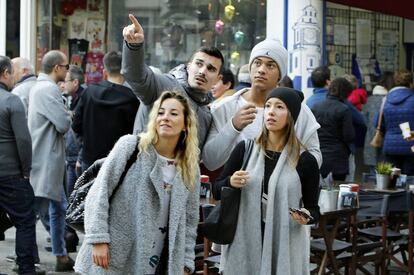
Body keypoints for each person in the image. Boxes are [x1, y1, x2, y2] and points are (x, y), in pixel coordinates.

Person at [74, 91, 200, 274]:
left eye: (173, 113)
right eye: (161, 112)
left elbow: (190, 220)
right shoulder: (130, 147)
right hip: (114, 251)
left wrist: (186, 261)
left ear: (186, 125)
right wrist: (98, 238)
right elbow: (100, 191)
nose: (165, 118)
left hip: (159, 259)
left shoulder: (190, 168)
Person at [212, 87, 320, 274]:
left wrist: (305, 215)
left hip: (283, 242)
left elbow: (314, 210)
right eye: (268, 106)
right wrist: (231, 181)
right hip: (244, 241)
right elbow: (216, 189)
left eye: (280, 107)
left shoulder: (305, 161)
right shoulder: (244, 150)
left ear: (291, 116)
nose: (271, 111)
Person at [202, 38, 322, 171]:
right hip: (236, 189)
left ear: (280, 75)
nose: (261, 70)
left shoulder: (298, 110)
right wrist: (233, 126)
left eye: (270, 65)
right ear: (250, 67)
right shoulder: (224, 108)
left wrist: (288, 166)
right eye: (257, 63)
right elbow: (210, 162)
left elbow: (316, 157)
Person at [122, 14, 223, 150]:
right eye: (199, 64)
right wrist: (134, 47)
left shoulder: (206, 115)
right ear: (188, 66)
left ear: (217, 78)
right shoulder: (163, 86)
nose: (203, 71)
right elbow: (136, 76)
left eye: (211, 69)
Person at [28, 50, 73, 271]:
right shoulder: (48, 89)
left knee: (57, 208)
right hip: (45, 160)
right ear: (57, 68)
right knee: (35, 212)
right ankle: (26, 259)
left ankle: (61, 255)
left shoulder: (42, 88)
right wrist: (68, 113)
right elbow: (64, 123)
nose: (67, 70)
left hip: (48, 160)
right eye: (66, 67)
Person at [0, 55, 45, 275]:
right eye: (12, 73)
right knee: (25, 220)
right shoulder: (11, 100)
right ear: (6, 74)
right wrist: (25, 171)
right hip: (11, 174)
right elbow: (24, 140)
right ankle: (27, 268)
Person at [72, 51, 140, 171]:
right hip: (118, 163)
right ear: (124, 72)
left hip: (90, 161)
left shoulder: (89, 92)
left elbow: (76, 125)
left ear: (104, 72)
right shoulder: (131, 99)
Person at [311, 77, 355, 181]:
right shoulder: (344, 109)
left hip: (319, 155)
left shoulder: (315, 107)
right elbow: (349, 136)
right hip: (338, 157)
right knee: (337, 190)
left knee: (318, 192)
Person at [375, 70, 414, 175]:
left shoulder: (385, 100)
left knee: (392, 181)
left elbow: (378, 124)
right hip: (411, 146)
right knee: (410, 180)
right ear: (411, 83)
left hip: (390, 146)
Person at [362, 71, 394, 171]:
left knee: (373, 178)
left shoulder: (370, 99)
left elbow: (365, 121)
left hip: (372, 142)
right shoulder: (392, 100)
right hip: (389, 145)